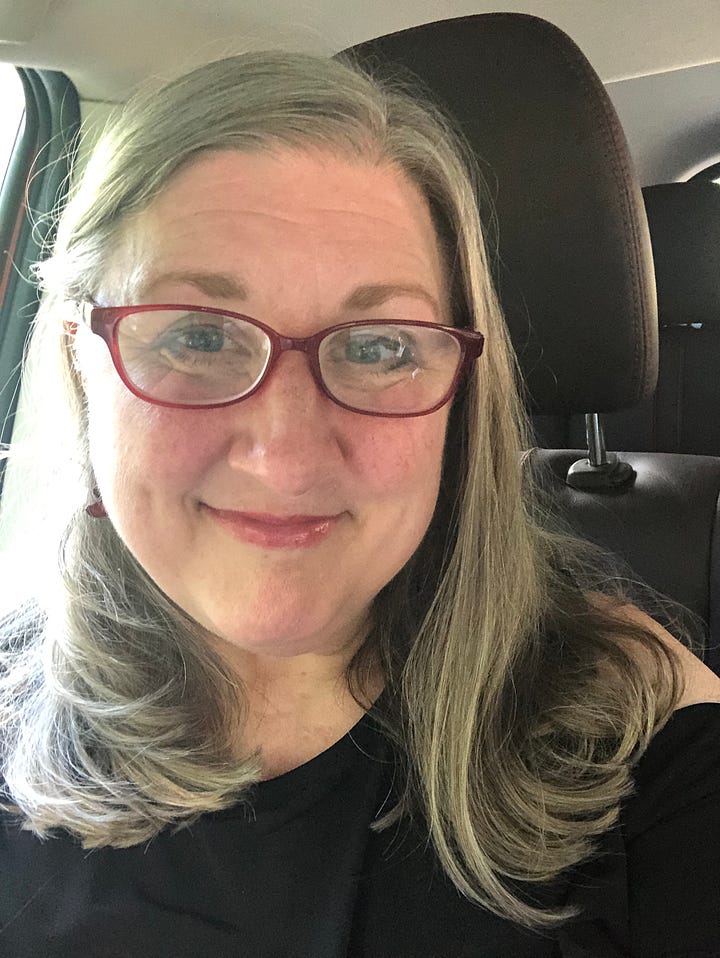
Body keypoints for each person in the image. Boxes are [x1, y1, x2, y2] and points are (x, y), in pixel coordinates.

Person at [0, 50, 719, 958]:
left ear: (461, 396)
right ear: (79, 365)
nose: (287, 455)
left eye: (380, 348)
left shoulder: (641, 749)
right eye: (196, 334)